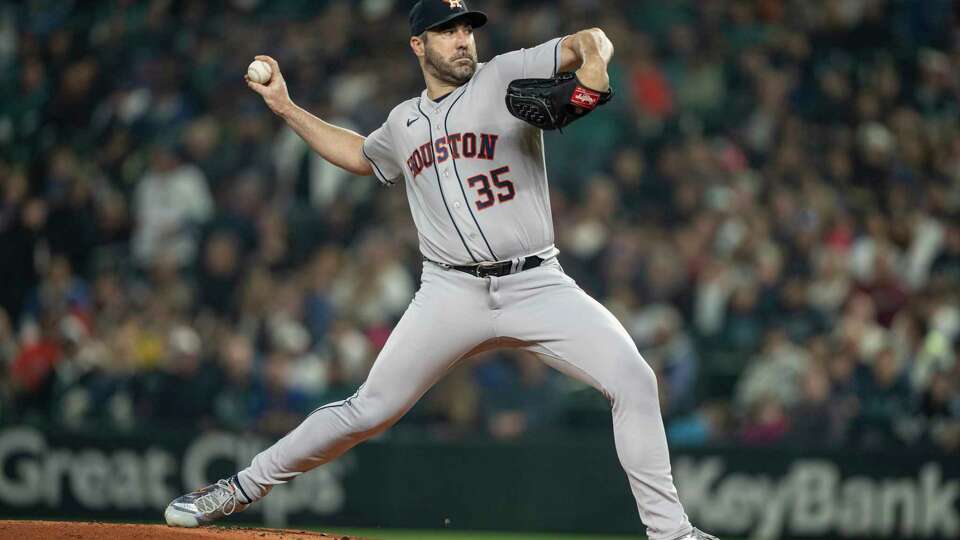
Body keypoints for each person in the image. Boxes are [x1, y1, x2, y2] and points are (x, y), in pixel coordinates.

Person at [165, 2, 714, 539]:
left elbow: (589, 38)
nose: (462, 39)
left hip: (536, 282)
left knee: (635, 380)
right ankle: (237, 488)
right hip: (450, 291)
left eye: (466, 28)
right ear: (418, 44)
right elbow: (361, 155)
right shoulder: (403, 121)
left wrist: (593, 65)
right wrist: (285, 107)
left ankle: (670, 534)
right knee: (368, 411)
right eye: (446, 30)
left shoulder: (504, 73)